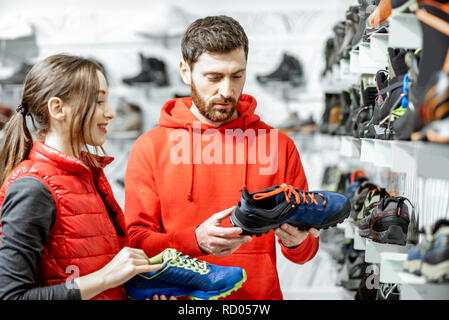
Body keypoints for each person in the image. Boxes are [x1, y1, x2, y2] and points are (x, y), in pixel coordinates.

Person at [124, 15, 320, 300]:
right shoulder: (150, 147)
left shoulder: (279, 145)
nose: (227, 91)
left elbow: (305, 251)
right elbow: (137, 242)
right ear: (185, 72)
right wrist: (195, 241)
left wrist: (299, 241)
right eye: (214, 77)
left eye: (237, 76)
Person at [0, 54, 167, 300]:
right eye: (99, 101)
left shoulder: (88, 177)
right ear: (58, 108)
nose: (110, 113)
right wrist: (106, 277)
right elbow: (10, 296)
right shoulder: (33, 187)